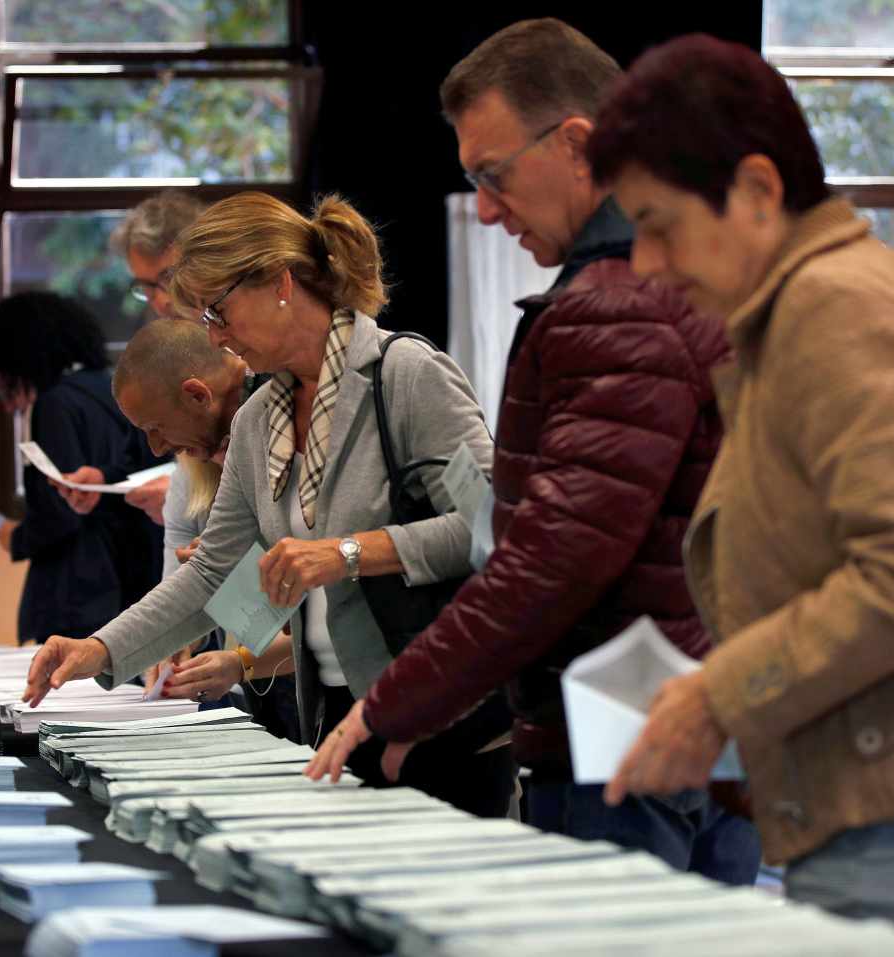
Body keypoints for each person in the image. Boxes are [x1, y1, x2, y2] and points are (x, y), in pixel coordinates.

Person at [586, 34, 894, 956]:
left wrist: (718, 698)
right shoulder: (825, 297)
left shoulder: (833, 309)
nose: (648, 261)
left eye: (661, 223)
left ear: (759, 192)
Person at [303, 17, 758, 885]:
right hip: (706, 717)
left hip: (624, 735)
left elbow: (555, 557)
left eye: (492, 173)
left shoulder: (612, 307)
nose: (483, 207)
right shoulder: (703, 278)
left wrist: (400, 703)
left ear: (579, 144)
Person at [18, 191, 514, 817]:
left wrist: (350, 553)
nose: (217, 336)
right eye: (206, 321)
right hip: (336, 714)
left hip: (444, 712)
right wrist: (101, 649)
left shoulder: (407, 375)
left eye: (219, 313)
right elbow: (210, 571)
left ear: (280, 282)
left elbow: (492, 526)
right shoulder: (259, 418)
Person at [113, 319, 299, 739]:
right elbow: (194, 577)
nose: (155, 449)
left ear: (198, 395)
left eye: (156, 430)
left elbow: (329, 602)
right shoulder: (200, 455)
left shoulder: (284, 427)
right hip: (263, 672)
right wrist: (163, 643)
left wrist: (242, 574)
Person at [0, 291, 166, 645]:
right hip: (140, 574)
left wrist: (15, 537)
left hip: (84, 588)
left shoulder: (55, 404)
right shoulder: (116, 388)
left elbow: (62, 508)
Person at [56, 189, 210, 525]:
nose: (161, 300)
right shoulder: (164, 348)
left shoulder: (245, 339)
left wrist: (183, 488)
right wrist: (104, 479)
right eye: (146, 286)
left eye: (167, 279)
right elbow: (145, 450)